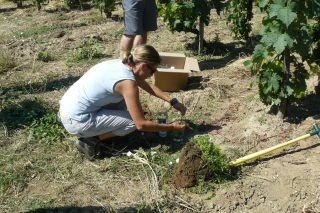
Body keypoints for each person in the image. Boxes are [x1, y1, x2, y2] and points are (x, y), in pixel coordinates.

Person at [59, 44, 186, 160]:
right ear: (143, 66)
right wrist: (171, 127)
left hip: (67, 109)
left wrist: (172, 101)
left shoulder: (120, 64)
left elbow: (148, 86)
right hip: (76, 121)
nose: (152, 75)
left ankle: (98, 130)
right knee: (133, 121)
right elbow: (140, 125)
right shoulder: (128, 83)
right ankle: (90, 141)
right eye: (152, 71)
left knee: (126, 106)